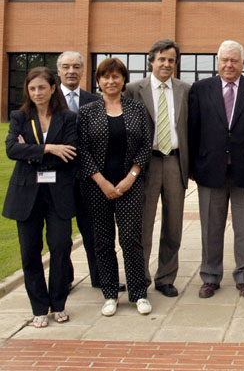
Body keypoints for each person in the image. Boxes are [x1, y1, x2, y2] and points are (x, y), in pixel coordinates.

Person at [189, 40, 244, 299]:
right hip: (211, 170)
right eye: (225, 60)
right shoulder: (201, 89)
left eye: (235, 60)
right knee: (211, 227)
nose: (229, 65)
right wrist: (192, 166)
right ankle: (210, 277)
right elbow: (193, 129)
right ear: (217, 60)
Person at [77, 57, 152, 316]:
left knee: (131, 238)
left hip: (129, 185)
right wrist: (102, 181)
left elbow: (145, 146)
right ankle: (109, 293)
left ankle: (138, 292)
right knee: (103, 240)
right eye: (105, 77)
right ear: (98, 81)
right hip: (97, 186)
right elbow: (82, 151)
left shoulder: (137, 109)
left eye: (116, 76)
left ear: (123, 80)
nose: (111, 81)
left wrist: (131, 177)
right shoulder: (88, 112)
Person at [3, 67, 77, 328]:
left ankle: (58, 304)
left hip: (58, 193)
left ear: (53, 88)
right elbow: (12, 148)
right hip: (26, 194)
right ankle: (39, 308)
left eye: (42, 87)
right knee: (29, 254)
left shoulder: (67, 118)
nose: (37, 93)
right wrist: (48, 148)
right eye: (32, 88)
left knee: (60, 248)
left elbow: (71, 152)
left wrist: (30, 151)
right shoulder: (19, 116)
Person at [125, 39, 190, 298]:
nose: (166, 64)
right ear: (151, 61)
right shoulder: (132, 89)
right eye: (161, 59)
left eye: (171, 60)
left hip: (175, 162)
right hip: (145, 164)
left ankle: (166, 278)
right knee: (143, 225)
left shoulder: (185, 89)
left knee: (173, 225)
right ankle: (139, 278)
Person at [56, 51, 112, 291]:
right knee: (61, 234)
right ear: (58, 70)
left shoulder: (94, 100)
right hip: (58, 178)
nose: (71, 71)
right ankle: (65, 278)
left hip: (89, 177)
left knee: (93, 231)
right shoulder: (48, 98)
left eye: (76, 66)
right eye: (66, 67)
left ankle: (100, 278)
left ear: (83, 70)